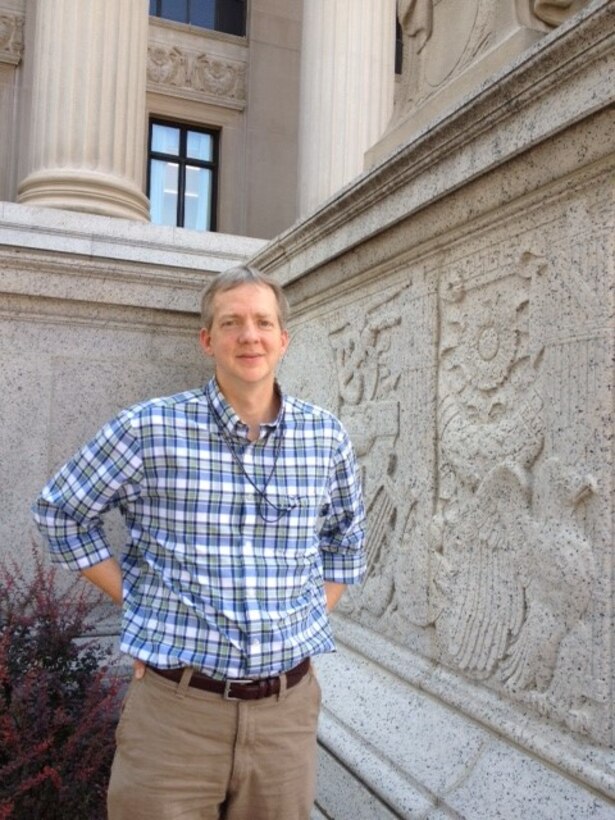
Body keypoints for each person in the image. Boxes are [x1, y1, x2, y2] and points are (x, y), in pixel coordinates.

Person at [32, 265, 366, 820]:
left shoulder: (325, 436)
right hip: (176, 714)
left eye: (263, 322)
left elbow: (346, 544)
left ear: (284, 339)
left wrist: (303, 615)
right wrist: (136, 605)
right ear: (207, 339)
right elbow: (59, 512)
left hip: (286, 716)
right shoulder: (147, 429)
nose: (249, 335)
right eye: (231, 322)